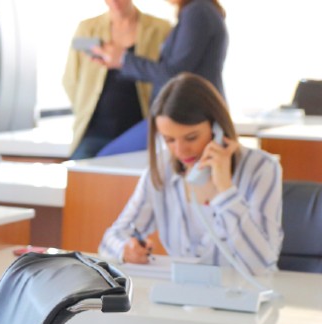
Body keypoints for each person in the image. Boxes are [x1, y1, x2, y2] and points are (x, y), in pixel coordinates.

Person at [99, 73, 282, 275]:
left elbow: (262, 265)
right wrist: (125, 249)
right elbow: (111, 239)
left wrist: (225, 190)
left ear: (217, 128)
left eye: (191, 137)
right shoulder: (162, 168)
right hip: (181, 298)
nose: (180, 151)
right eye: (169, 140)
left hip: (242, 297)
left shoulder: (261, 168)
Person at [92, 0, 228, 156]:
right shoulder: (196, 11)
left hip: (187, 115)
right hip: (185, 114)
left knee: (108, 157)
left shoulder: (198, 11)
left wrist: (123, 59)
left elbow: (175, 74)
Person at [63, 0, 171, 159]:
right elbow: (70, 79)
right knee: (80, 175)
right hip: (94, 131)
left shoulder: (161, 29)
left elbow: (168, 76)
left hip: (139, 131)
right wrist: (82, 108)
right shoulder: (87, 28)